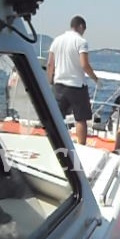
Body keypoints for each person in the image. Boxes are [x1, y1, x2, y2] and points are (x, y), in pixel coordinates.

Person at [47, 15, 100, 145]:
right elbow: (84, 65)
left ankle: (54, 142)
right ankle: (81, 145)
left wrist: (50, 82)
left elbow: (50, 64)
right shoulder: (81, 42)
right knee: (80, 119)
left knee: (56, 117)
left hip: (59, 84)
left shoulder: (56, 40)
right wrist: (95, 79)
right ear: (81, 27)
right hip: (76, 85)